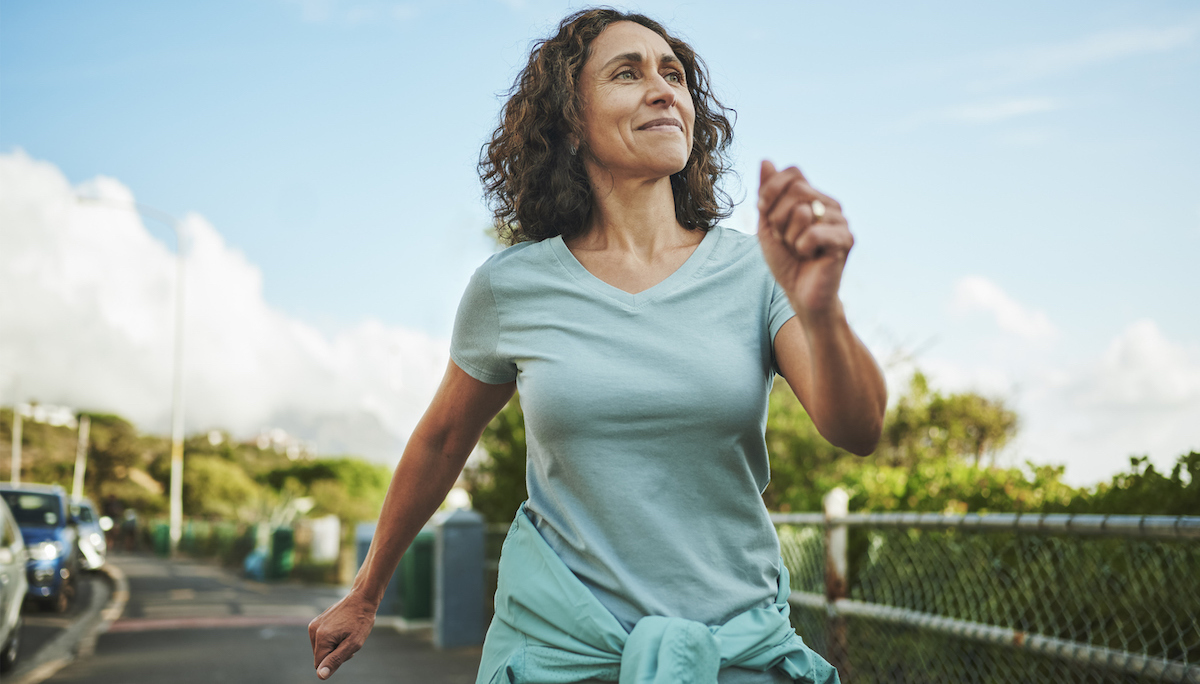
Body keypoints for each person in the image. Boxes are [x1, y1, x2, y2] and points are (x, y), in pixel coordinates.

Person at [308, 8, 886, 683]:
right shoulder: (511, 287)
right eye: (627, 73)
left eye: (673, 74)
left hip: (734, 654)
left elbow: (858, 428)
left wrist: (821, 311)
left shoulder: (759, 269)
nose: (664, 89)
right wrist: (367, 590)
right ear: (571, 119)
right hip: (559, 655)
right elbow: (441, 441)